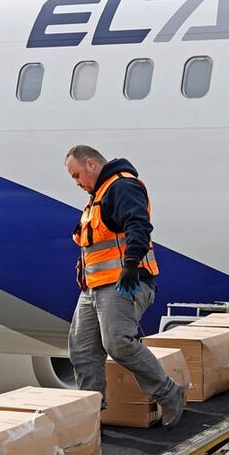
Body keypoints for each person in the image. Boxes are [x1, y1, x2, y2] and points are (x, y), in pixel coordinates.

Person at [65, 145, 186, 428]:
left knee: (117, 343)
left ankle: (169, 393)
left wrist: (131, 265)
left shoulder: (122, 187)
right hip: (93, 287)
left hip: (122, 284)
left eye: (77, 175)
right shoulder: (97, 197)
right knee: (82, 349)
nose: (77, 183)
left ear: (92, 164)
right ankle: (91, 416)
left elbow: (139, 225)